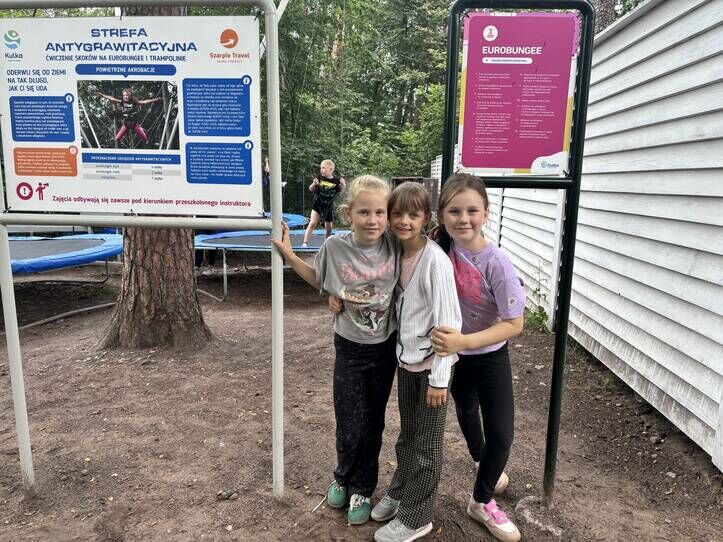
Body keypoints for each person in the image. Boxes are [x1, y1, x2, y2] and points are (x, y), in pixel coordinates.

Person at [272, 175, 399, 526]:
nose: (372, 220)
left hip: (384, 349)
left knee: (373, 421)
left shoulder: (396, 245)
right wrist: (289, 255)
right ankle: (342, 477)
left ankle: (363, 488)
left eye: (379, 212)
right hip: (349, 348)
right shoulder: (334, 248)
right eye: (364, 212)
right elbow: (319, 278)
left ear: (388, 215)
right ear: (348, 213)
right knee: (348, 419)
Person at [430, 174, 525, 542]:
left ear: (486, 213)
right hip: (452, 356)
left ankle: (481, 501)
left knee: (501, 433)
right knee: (466, 409)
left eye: (472, 210)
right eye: (454, 211)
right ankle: (481, 462)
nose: (463, 218)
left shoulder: (497, 262)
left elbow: (514, 323)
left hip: (487, 355)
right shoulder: (437, 249)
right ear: (442, 214)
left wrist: (464, 341)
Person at [368, 182, 462, 542]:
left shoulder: (435, 262)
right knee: (408, 436)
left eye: (413, 214)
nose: (404, 221)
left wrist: (439, 378)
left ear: (426, 218)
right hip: (407, 363)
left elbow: (449, 323)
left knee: (428, 445)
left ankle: (416, 517)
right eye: (398, 214)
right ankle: (401, 491)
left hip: (432, 369)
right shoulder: (396, 254)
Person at [302, 159, 346, 247]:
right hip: (318, 204)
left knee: (329, 228)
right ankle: (305, 242)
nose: (321, 170)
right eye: (321, 168)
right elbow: (311, 189)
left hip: (328, 206)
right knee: (312, 223)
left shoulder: (336, 181)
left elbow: (340, 192)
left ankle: (326, 244)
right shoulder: (319, 178)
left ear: (331, 169)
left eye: (323, 168)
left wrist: (343, 185)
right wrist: (314, 184)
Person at [96, 88, 162, 144]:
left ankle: (141, 129)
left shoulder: (134, 102)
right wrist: (102, 95)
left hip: (135, 125)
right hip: (126, 125)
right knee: (117, 139)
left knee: (145, 139)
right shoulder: (121, 102)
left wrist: (155, 99)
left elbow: (144, 102)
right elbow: (112, 98)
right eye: (124, 95)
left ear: (129, 96)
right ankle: (140, 129)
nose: (125, 97)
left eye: (127, 95)